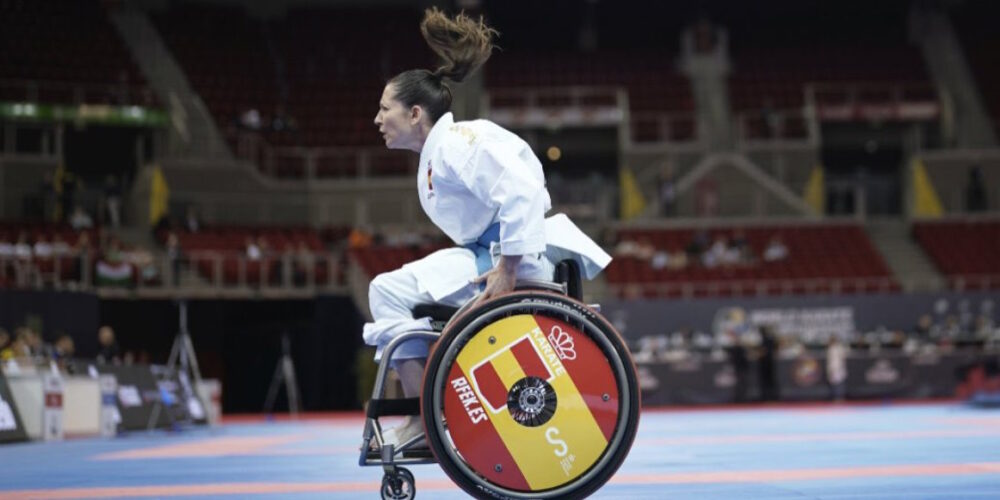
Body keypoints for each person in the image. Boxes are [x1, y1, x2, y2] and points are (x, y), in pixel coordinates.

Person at [365, 8, 610, 447]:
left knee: (387, 290)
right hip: (489, 255)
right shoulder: (440, 153)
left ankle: (421, 418)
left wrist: (509, 268)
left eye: (386, 109)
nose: (378, 119)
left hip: (511, 260)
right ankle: (420, 410)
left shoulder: (460, 143)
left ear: (416, 112)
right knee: (387, 290)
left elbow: (522, 191)